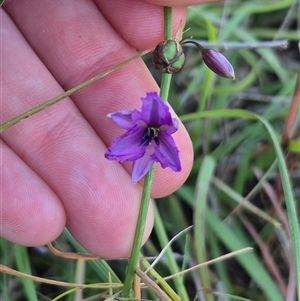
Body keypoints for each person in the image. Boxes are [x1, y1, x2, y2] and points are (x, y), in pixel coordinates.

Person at [1, 0, 222, 259]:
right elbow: (141, 119)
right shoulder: (152, 121)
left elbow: (161, 152)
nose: (151, 135)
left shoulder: (153, 134)